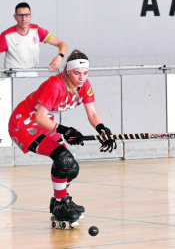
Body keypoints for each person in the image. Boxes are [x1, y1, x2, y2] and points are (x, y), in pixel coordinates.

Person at [8, 49, 116, 229]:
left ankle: (60, 201)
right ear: (67, 70)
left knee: (71, 167)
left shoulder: (84, 85)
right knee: (63, 159)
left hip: (43, 125)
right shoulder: (56, 86)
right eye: (77, 73)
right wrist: (65, 130)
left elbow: (92, 113)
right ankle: (61, 204)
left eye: (85, 73)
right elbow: (39, 117)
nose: (81, 78)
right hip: (23, 126)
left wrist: (102, 129)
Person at [0, 2, 67, 77]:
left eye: (26, 15)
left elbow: (62, 44)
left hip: (33, 74)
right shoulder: (6, 36)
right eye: (20, 16)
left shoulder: (36, 30)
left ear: (31, 16)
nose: (24, 19)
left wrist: (59, 57)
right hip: (13, 75)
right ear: (15, 17)